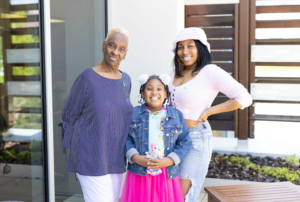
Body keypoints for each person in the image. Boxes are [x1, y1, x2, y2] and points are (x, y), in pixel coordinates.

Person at [168, 27, 253, 201]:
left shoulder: (209, 72)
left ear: (201, 48)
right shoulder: (173, 74)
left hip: (195, 141)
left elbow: (244, 97)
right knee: (167, 194)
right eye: (181, 47)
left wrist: (209, 111)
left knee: (182, 197)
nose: (185, 51)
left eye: (190, 46)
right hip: (169, 139)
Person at [59, 27, 133, 202]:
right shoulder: (87, 78)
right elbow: (69, 116)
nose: (115, 51)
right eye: (112, 45)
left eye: (121, 49)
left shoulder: (126, 80)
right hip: (90, 158)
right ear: (103, 46)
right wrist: (76, 159)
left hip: (116, 158)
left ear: (125, 54)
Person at [121, 74, 192, 202]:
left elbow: (185, 141)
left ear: (166, 94)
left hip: (166, 172)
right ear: (142, 94)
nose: (154, 92)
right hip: (140, 171)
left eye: (159, 89)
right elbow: (125, 138)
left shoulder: (176, 115)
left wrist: (170, 160)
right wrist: (135, 157)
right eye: (149, 88)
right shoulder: (133, 114)